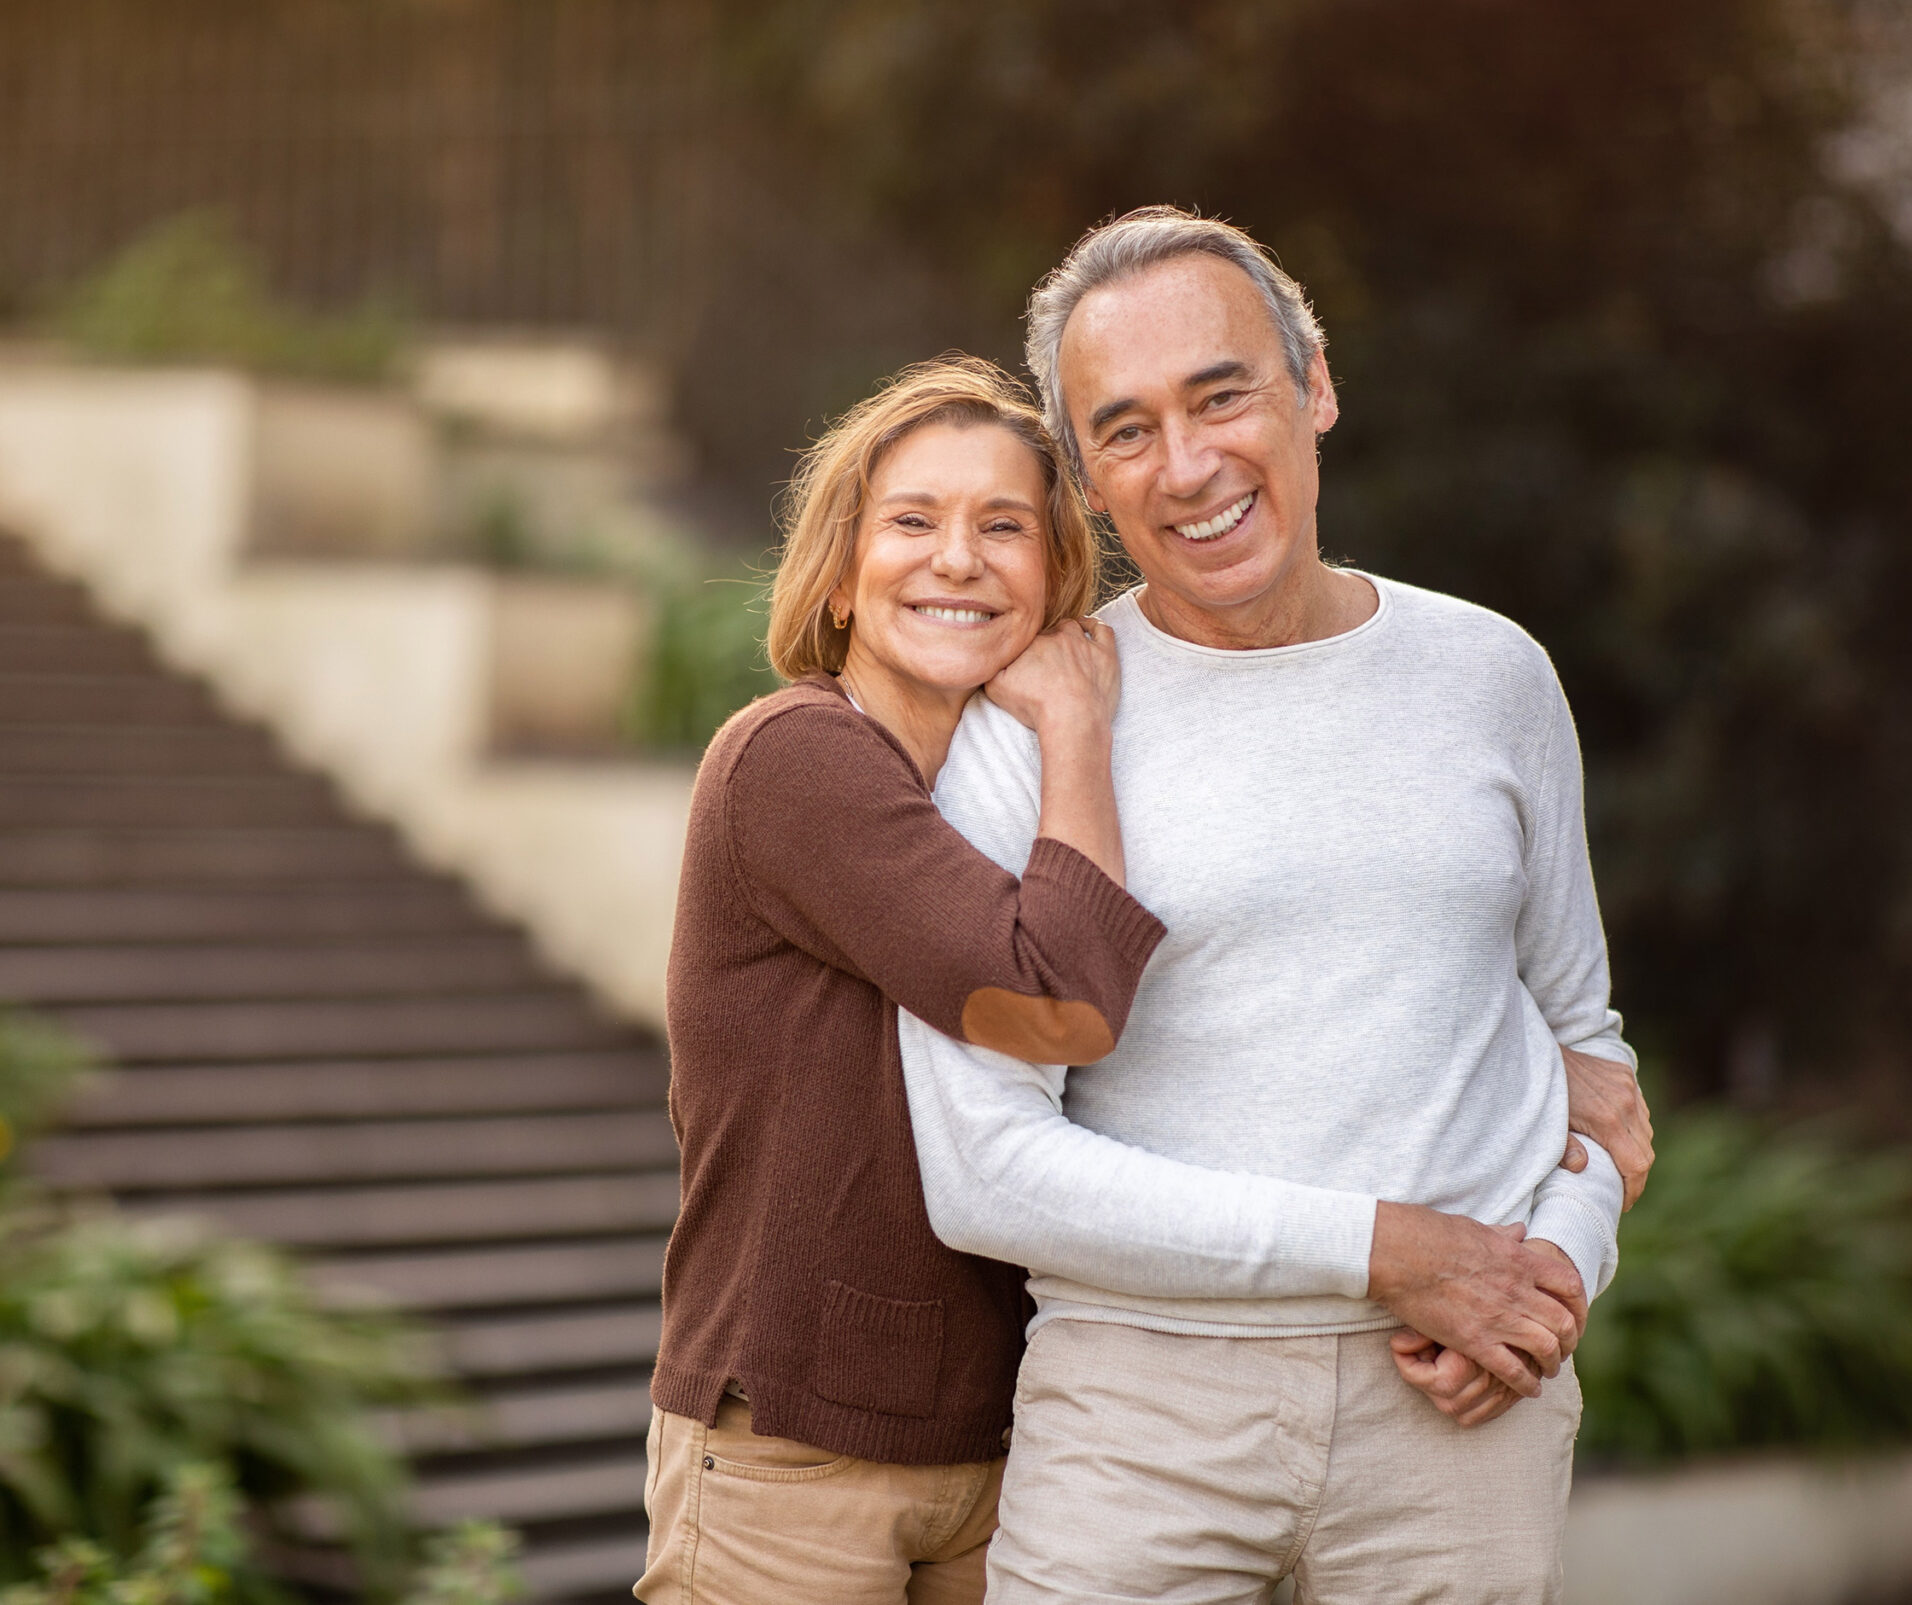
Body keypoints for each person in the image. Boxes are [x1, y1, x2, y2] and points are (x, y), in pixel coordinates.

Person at [639, 353, 1652, 1605]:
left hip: (986, 1433)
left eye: (1001, 526)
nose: (956, 558)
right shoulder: (797, 760)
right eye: (910, 522)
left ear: (1055, 571)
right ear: (839, 571)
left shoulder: (962, 771)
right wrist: (1075, 724)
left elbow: (1517, 997)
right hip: (794, 1438)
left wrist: (1569, 1139)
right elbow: (1063, 1001)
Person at [894, 206, 1650, 1604]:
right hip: (1137, 1422)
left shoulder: (1494, 676)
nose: (1187, 467)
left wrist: (1552, 1270)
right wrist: (1390, 1249)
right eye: (1124, 429)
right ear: (1087, 479)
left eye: (1222, 394)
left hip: (1460, 1418)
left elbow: (1586, 1047)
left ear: (1315, 384)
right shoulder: (1027, 724)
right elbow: (986, 1166)